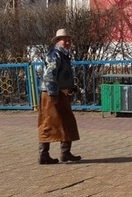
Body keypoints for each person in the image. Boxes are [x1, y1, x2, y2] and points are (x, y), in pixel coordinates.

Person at [37, 28, 82, 164]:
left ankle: (65, 153)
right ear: (58, 41)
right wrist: (52, 94)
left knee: (67, 121)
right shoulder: (55, 55)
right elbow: (49, 76)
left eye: (69, 39)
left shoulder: (63, 55)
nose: (68, 42)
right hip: (52, 93)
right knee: (48, 123)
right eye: (64, 39)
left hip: (61, 92)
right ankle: (44, 154)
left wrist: (71, 87)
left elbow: (62, 75)